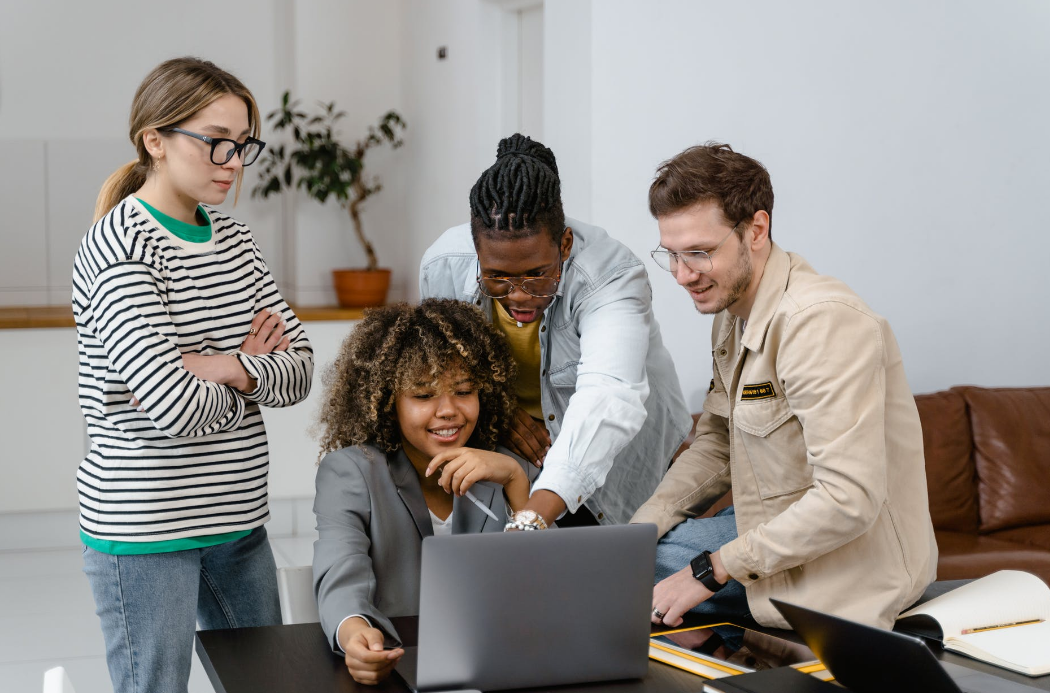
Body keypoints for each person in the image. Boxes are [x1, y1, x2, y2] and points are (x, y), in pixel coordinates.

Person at [73, 57, 314, 693]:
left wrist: (220, 365)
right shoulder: (120, 248)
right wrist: (250, 376)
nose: (232, 162)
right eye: (215, 142)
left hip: (238, 518)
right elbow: (173, 408)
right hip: (147, 528)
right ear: (155, 139)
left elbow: (302, 369)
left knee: (269, 682)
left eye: (242, 145)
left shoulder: (235, 241)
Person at [632, 142, 937, 631]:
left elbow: (848, 498)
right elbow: (716, 443)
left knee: (626, 584)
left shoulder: (821, 323)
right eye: (671, 254)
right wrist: (639, 530)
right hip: (773, 524)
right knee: (623, 562)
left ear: (756, 229)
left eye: (699, 253)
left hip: (853, 566)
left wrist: (711, 571)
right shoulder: (731, 313)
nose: (682, 275)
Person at [420, 133, 692, 530]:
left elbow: (608, 396)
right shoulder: (444, 266)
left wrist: (532, 518)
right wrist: (498, 409)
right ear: (476, 251)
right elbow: (439, 371)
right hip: (518, 452)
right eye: (497, 277)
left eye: (536, 275)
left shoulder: (609, 277)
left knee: (616, 574)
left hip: (624, 462)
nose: (519, 296)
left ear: (564, 245)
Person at [312, 299, 536, 686]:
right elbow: (340, 575)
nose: (448, 410)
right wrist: (354, 635)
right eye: (423, 395)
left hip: (500, 667)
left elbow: (546, 589)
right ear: (388, 402)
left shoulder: (507, 468)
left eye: (463, 390)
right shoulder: (351, 472)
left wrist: (517, 482)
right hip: (400, 667)